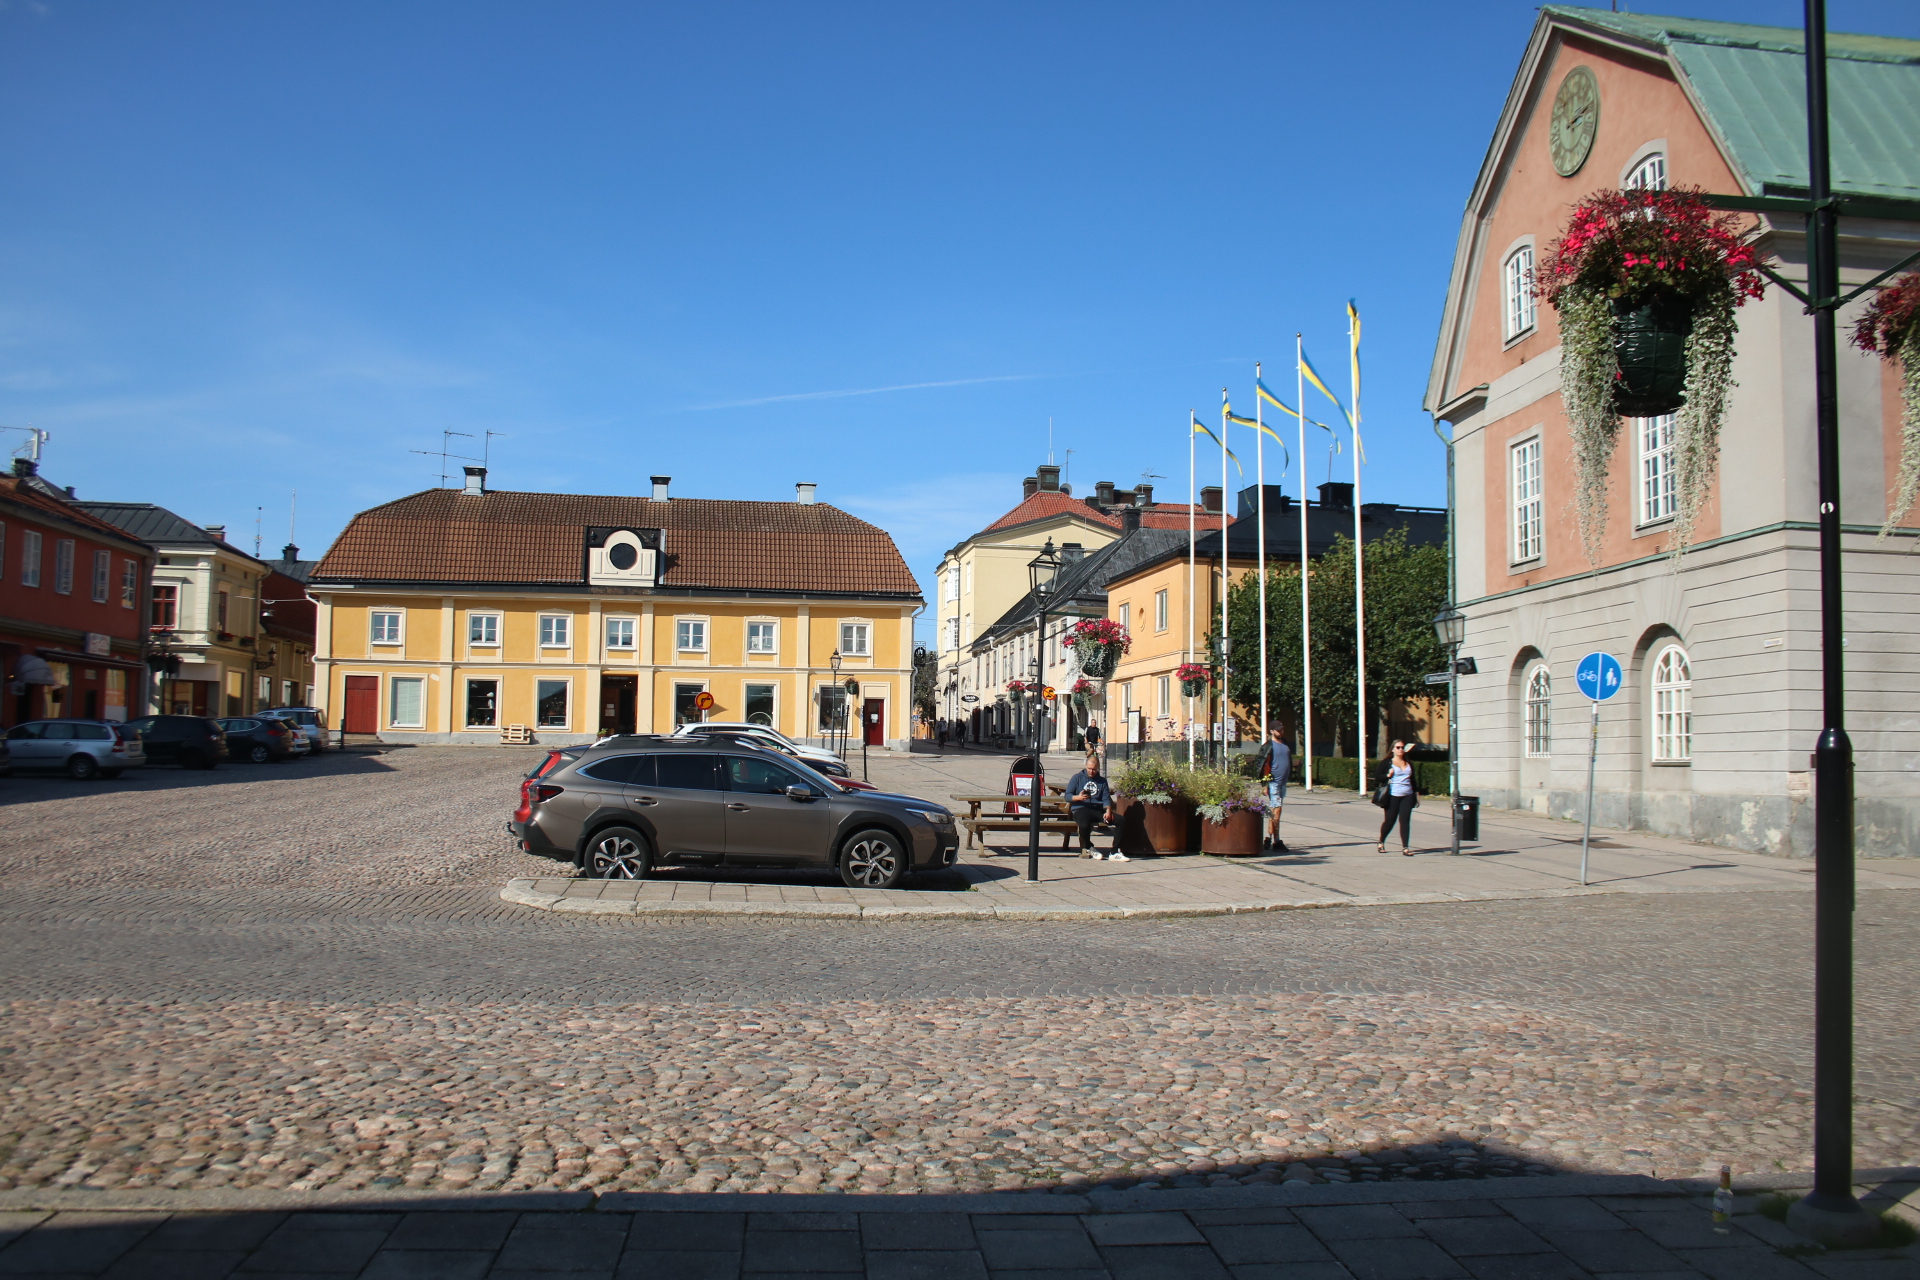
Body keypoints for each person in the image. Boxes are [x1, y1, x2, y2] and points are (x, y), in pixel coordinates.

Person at [1064, 754, 1125, 862]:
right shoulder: (1077, 778)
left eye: (1094, 769)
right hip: (1081, 808)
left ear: (1098, 768)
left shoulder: (1102, 781)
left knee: (1120, 820)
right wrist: (1078, 797)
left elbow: (1106, 797)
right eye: (1089, 769)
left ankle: (1114, 852)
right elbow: (1067, 796)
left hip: (1097, 809)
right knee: (1084, 824)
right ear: (1086, 766)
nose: (1091, 771)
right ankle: (1088, 846)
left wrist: (1108, 810)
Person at [1373, 739, 1418, 856]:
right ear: (1393, 749)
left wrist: (1416, 793)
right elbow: (1377, 776)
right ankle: (1381, 841)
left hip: (1407, 795)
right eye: (1398, 747)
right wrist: (1388, 775)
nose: (1401, 749)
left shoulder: (1408, 763)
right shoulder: (1387, 762)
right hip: (1392, 795)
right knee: (1390, 821)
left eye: (1402, 747)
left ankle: (1405, 848)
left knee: (1405, 821)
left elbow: (1413, 780)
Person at [1255, 726, 1291, 851]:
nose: (1281, 732)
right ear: (1272, 731)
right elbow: (1262, 764)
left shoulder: (1285, 744)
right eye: (1279, 730)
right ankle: (1276, 840)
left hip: (1283, 783)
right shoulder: (1268, 746)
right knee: (1277, 810)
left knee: (1275, 811)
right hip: (1273, 782)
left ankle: (1269, 838)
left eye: (1282, 730)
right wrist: (1264, 784)